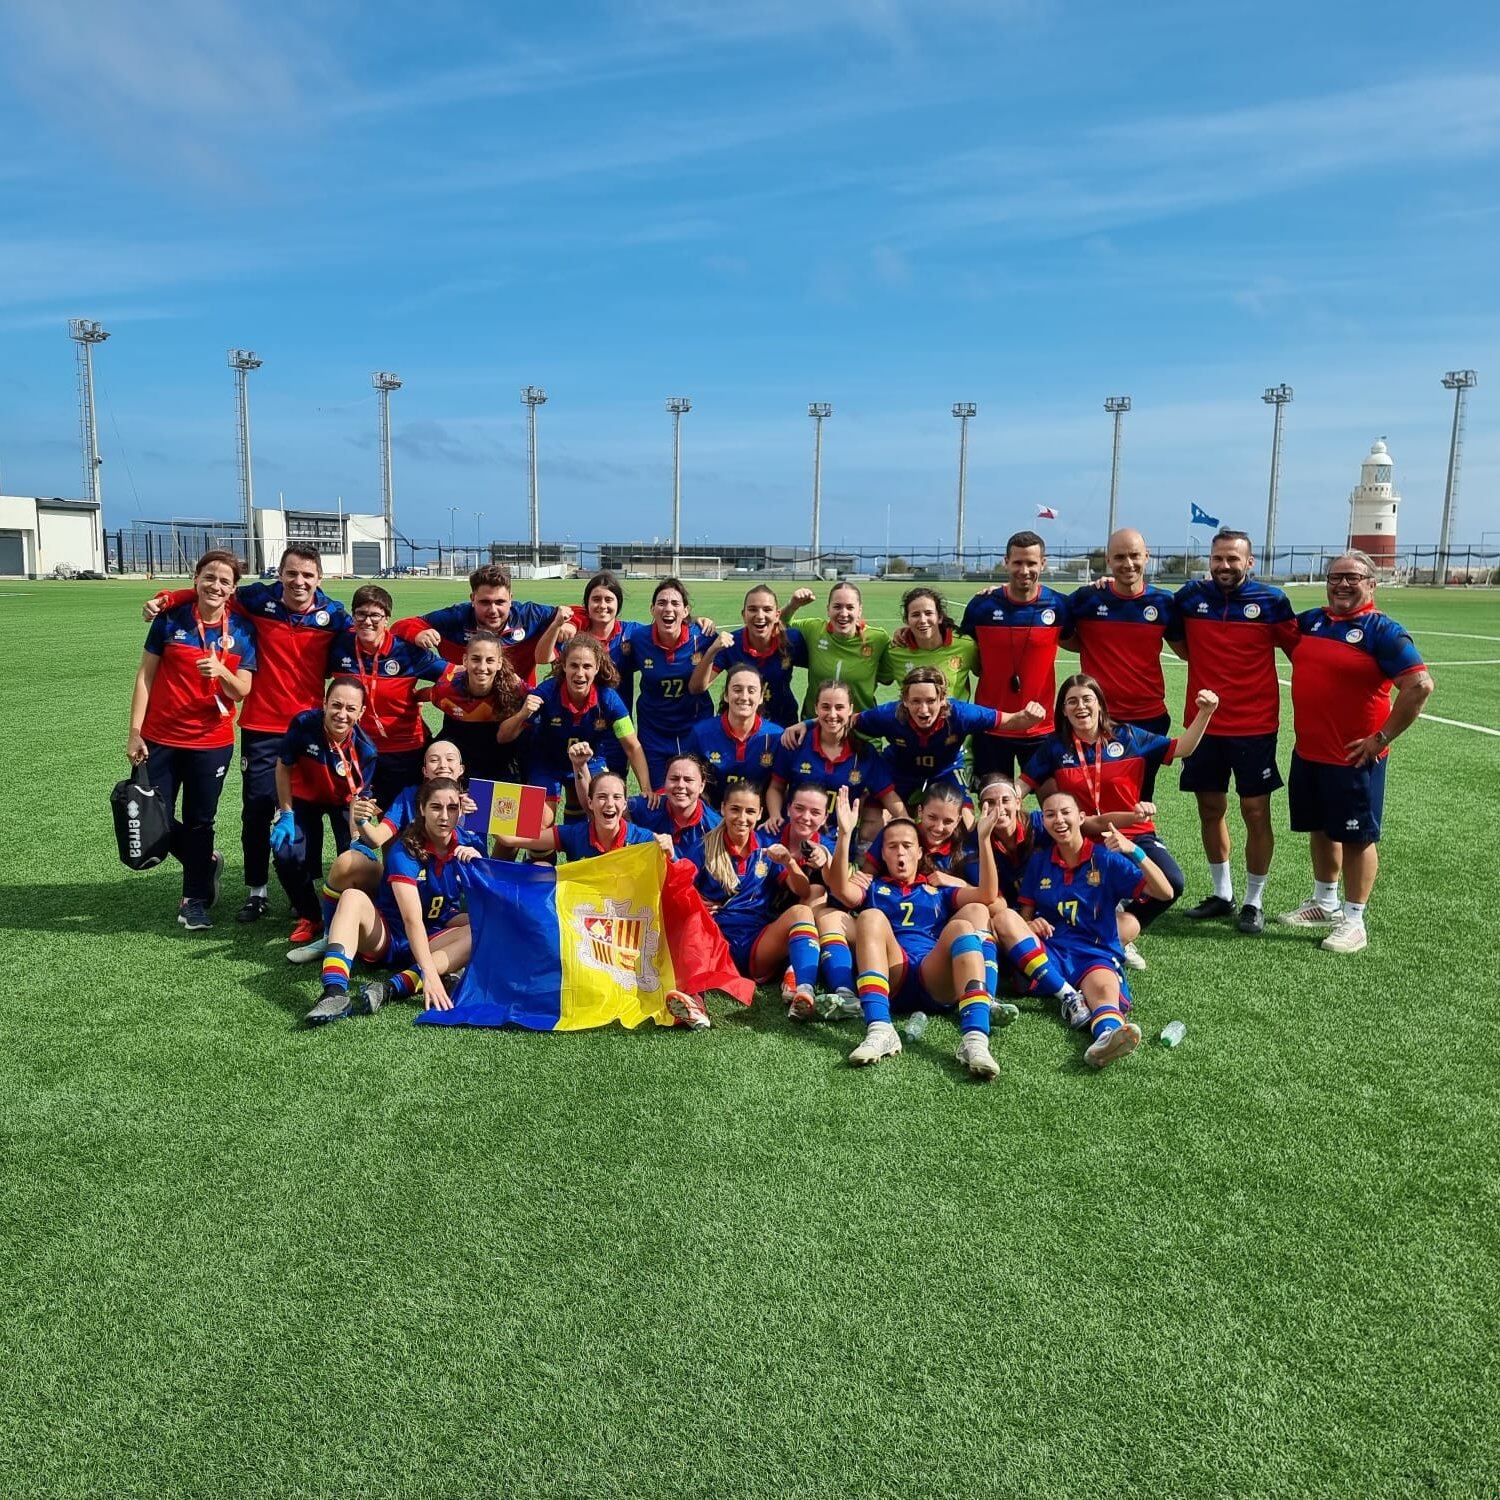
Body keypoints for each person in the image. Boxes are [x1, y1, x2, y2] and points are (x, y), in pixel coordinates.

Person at [143, 545, 348, 924]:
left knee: (306, 811)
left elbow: (371, 631)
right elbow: (215, 591)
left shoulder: (333, 615)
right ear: (280, 574)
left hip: (309, 728)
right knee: (256, 812)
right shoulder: (258, 599)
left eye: (307, 575)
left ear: (319, 579)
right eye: (291, 573)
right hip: (261, 726)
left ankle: (304, 887)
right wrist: (167, 598)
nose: (298, 581)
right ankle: (257, 891)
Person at [1279, 552, 1434, 953]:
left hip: (1354, 758)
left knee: (1357, 838)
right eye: (1336, 577)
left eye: (1353, 577)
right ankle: (1325, 901)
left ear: (1371, 584)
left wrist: (1380, 739)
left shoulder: (1382, 631)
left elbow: (1419, 685)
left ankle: (1354, 919)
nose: (1343, 584)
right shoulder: (1313, 621)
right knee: (1320, 828)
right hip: (1309, 752)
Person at [1020, 674, 1220, 965]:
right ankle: (1092, 936)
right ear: (1063, 710)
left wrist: (1205, 712)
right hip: (1083, 839)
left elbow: (1182, 748)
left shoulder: (1129, 737)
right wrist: (1003, 797)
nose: (1080, 707)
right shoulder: (1055, 747)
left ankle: (1118, 935)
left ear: (1100, 704)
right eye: (1071, 701)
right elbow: (1023, 784)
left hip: (1134, 833)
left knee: (1172, 883)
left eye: (1087, 699)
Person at [825, 788, 1004, 1079]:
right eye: (892, 846)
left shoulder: (936, 888)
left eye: (907, 846)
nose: (900, 853)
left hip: (934, 977)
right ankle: (880, 1029)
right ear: (882, 853)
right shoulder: (873, 887)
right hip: (893, 974)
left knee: (963, 926)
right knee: (870, 917)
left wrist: (984, 840)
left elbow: (986, 893)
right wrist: (844, 835)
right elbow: (839, 889)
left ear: (919, 852)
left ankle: (975, 1041)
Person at [126, 548, 258, 931]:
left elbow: (242, 691)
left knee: (201, 822)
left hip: (211, 742)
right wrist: (134, 732)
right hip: (158, 739)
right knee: (155, 819)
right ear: (196, 579)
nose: (216, 586)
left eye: (224, 581)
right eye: (209, 577)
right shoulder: (170, 621)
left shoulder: (243, 631)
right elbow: (144, 678)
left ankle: (193, 901)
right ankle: (207, 863)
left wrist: (221, 671)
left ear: (233, 589)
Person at [1175, 529, 1298, 935]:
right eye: (1218, 559)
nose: (1224, 566)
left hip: (1255, 726)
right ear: (1209, 560)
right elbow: (1171, 633)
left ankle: (1253, 900)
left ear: (1250, 562)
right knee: (1210, 809)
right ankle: (1222, 894)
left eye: (1233, 559)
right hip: (1204, 725)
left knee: (1256, 812)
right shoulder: (1190, 598)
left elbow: (1301, 651)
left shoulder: (1272, 601)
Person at [1016, 790, 1176, 1069]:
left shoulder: (1106, 860)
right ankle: (1068, 995)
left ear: (1081, 817)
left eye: (1066, 812)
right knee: (1007, 920)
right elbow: (1023, 916)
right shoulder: (1040, 862)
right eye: (1050, 815)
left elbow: (1165, 891)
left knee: (1103, 990)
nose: (1059, 820)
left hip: (1094, 950)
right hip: (1051, 949)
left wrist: (1134, 851)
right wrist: (1029, 923)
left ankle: (1105, 1039)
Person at [304, 777, 483, 1025]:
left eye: (452, 808)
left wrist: (478, 863)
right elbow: (411, 920)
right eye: (435, 807)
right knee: (352, 897)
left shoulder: (468, 843)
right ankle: (334, 992)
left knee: (482, 929)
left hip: (434, 936)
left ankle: (391, 988)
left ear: (460, 811)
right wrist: (430, 973)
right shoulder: (405, 849)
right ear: (422, 809)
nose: (444, 816)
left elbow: (489, 898)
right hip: (389, 936)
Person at [684, 782, 825, 1024]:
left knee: (801, 911)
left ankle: (804, 990)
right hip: (715, 945)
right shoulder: (703, 847)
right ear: (723, 809)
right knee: (690, 922)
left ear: (760, 814)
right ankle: (695, 1001)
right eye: (735, 809)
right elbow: (679, 885)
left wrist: (789, 863)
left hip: (756, 947)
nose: (742, 818)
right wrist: (697, 901)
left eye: (750, 811)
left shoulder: (766, 850)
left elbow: (802, 890)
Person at [1061, 528, 1181, 797]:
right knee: (1092, 794)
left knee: (1139, 796)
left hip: (1148, 719)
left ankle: (1140, 840)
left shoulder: (1164, 603)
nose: (1128, 564)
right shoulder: (1087, 598)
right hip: (1098, 717)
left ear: (1147, 557)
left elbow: (1185, 650)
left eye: (1134, 556)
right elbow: (1053, 619)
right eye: (1119, 557)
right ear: (1108, 560)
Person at [271, 676, 377, 953]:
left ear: (361, 712)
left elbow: (359, 797)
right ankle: (311, 916)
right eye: (336, 705)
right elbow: (283, 766)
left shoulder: (366, 750)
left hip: (345, 803)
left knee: (355, 861)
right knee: (285, 851)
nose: (342, 714)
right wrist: (285, 813)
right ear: (325, 703)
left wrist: (356, 836)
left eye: (351, 708)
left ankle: (349, 916)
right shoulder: (304, 724)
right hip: (303, 798)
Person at [855, 664, 1045, 812]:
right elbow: (849, 722)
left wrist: (1029, 716)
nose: (923, 710)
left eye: (930, 701)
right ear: (904, 700)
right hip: (899, 768)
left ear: (943, 699)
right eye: (915, 701)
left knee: (965, 821)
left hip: (946, 768)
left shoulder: (961, 714)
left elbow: (1010, 721)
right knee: (872, 822)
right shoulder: (889, 715)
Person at [499, 633, 652, 816]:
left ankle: (575, 840)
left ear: (596, 668)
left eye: (587, 666)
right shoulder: (546, 693)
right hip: (547, 763)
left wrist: (646, 788)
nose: (580, 673)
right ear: (564, 666)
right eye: (574, 665)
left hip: (591, 761)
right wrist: (523, 714)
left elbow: (632, 746)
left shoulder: (609, 700)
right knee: (540, 821)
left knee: (605, 811)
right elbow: (502, 737)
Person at [959, 530, 1069, 779]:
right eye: (1018, 562)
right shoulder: (982, 606)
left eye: (1031, 562)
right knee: (996, 805)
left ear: (1043, 563)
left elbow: (1081, 637)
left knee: (1055, 804)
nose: (1025, 569)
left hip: (1041, 727)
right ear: (1006, 562)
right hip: (991, 725)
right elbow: (959, 647)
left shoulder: (1059, 605)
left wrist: (1105, 582)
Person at [326, 584, 447, 810]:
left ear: (387, 620)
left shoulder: (407, 651)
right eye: (361, 614)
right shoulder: (339, 646)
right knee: (354, 821)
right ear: (353, 617)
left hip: (403, 750)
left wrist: (429, 694)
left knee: (401, 821)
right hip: (355, 748)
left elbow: (452, 676)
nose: (367, 621)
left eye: (375, 615)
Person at [392, 562, 570, 684]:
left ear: (511, 599)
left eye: (500, 602)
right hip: (465, 707)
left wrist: (570, 624)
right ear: (472, 599)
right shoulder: (455, 618)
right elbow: (401, 626)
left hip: (517, 704)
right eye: (485, 602)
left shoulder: (529, 615)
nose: (493, 610)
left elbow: (570, 611)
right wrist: (418, 633)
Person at [618, 577, 717, 790]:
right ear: (652, 609)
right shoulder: (638, 638)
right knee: (659, 798)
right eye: (661, 603)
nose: (668, 608)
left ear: (685, 610)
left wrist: (703, 621)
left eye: (675, 603)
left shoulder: (704, 637)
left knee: (694, 795)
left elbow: (736, 650)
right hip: (654, 732)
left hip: (694, 730)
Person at [766, 679, 901, 830]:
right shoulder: (796, 744)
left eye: (839, 707)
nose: (832, 714)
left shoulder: (865, 754)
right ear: (816, 708)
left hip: (838, 840)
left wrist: (907, 821)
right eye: (825, 707)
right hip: (796, 831)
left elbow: (888, 796)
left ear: (850, 709)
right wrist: (775, 814)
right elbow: (776, 787)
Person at [688, 585, 812, 727]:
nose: (760, 616)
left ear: (777, 615)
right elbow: (696, 688)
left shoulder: (792, 640)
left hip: (783, 727)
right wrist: (712, 651)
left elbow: (819, 665)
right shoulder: (731, 643)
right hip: (740, 727)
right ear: (743, 615)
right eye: (753, 609)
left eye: (767, 610)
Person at [496, 769, 674, 864]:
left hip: (624, 914)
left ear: (625, 804)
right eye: (602, 797)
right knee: (540, 869)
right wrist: (480, 806)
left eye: (617, 797)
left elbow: (678, 870)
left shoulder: (642, 838)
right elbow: (511, 839)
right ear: (590, 803)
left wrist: (670, 852)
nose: (610, 804)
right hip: (584, 914)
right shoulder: (574, 834)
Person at [418, 630, 526, 783]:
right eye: (476, 659)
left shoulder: (515, 689)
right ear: (465, 660)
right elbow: (420, 696)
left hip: (500, 755)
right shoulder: (447, 688)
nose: (482, 667)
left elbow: (543, 700)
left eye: (489, 660)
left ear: (499, 663)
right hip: (458, 751)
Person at [781, 581, 890, 714]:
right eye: (837, 607)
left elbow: (887, 678)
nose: (843, 613)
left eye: (850, 607)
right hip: (814, 725)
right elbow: (781, 624)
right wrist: (793, 605)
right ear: (828, 609)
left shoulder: (878, 639)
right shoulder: (814, 630)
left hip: (860, 729)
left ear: (859, 610)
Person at [565, 570, 636, 775]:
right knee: (578, 787)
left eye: (608, 599)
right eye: (596, 599)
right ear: (587, 603)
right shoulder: (575, 637)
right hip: (580, 726)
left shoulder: (631, 633)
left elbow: (662, 633)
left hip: (617, 726)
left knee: (613, 790)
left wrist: (697, 621)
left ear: (618, 604)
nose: (602, 605)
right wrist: (569, 621)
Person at [689, 664, 784, 809]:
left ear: (760, 697)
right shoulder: (701, 733)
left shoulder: (776, 737)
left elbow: (781, 787)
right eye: (737, 690)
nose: (744, 697)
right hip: (711, 820)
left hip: (757, 822)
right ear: (726, 695)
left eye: (751, 691)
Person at [879, 586, 979, 698]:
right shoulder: (894, 652)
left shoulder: (966, 646)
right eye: (915, 615)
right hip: (913, 715)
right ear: (907, 620)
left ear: (940, 617)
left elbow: (982, 672)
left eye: (928, 613)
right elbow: (884, 679)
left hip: (957, 715)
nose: (922, 620)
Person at [626, 753, 723, 858]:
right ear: (665, 782)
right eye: (674, 779)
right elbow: (616, 807)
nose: (681, 785)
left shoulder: (715, 827)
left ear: (701, 786)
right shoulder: (647, 805)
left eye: (688, 780)